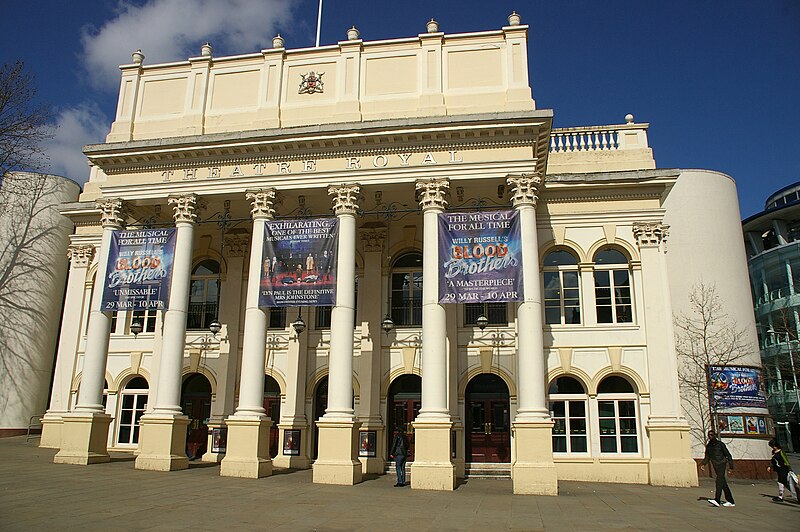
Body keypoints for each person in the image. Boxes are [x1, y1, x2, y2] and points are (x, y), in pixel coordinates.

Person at [701, 429, 735, 507]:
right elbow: (707, 456)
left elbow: (728, 455)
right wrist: (703, 464)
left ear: (715, 435)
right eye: (709, 435)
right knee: (723, 483)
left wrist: (731, 466)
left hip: (721, 464)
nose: (710, 436)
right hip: (715, 464)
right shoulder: (709, 446)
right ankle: (731, 501)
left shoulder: (720, 444)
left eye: (712, 435)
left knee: (719, 481)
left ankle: (717, 500)